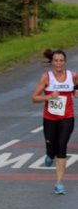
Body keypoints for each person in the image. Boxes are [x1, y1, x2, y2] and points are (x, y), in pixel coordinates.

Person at [32, 47, 76, 194]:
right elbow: (34, 97)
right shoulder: (46, 77)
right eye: (56, 61)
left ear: (65, 62)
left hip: (67, 117)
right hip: (50, 118)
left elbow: (76, 89)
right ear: (52, 62)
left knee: (62, 146)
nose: (59, 64)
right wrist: (48, 97)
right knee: (52, 149)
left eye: (61, 61)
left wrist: (76, 92)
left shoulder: (72, 75)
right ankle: (49, 154)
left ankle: (59, 183)